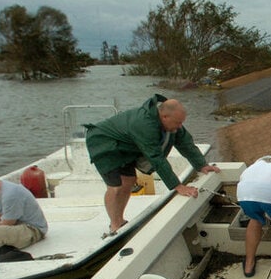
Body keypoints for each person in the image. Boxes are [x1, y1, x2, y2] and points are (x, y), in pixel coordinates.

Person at [85, 94, 221, 234]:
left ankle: (120, 220)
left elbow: (185, 143)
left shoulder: (172, 122)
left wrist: (202, 165)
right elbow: (156, 157)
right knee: (116, 187)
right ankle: (115, 224)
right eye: (177, 123)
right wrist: (177, 186)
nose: (180, 126)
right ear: (164, 117)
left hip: (126, 145)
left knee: (130, 181)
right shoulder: (144, 124)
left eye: (181, 123)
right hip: (103, 144)